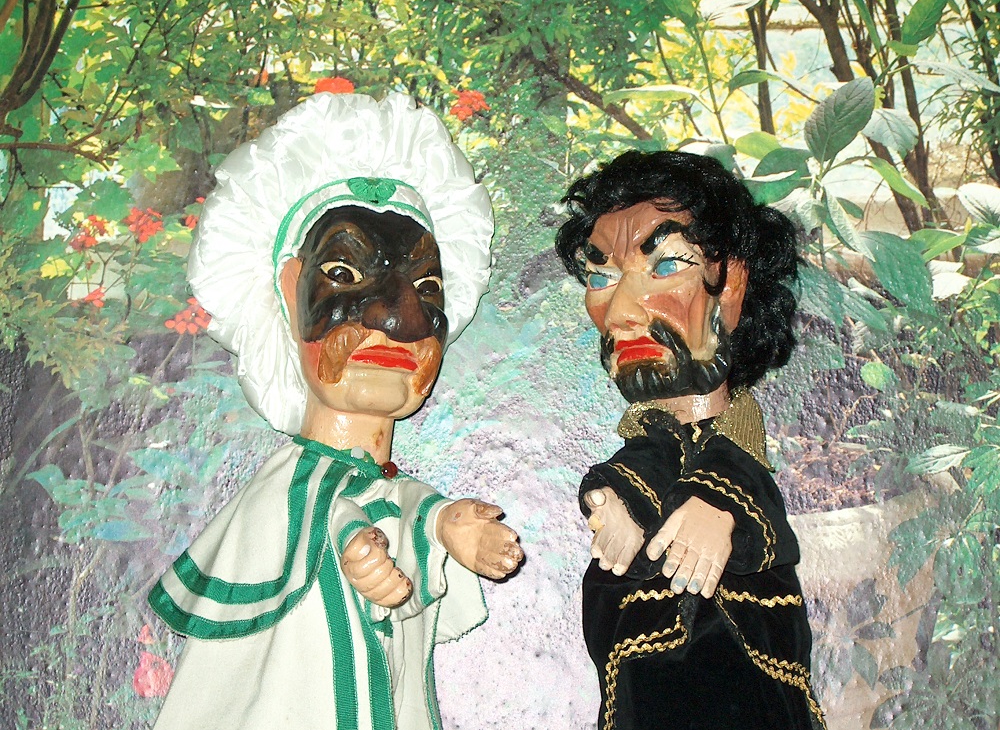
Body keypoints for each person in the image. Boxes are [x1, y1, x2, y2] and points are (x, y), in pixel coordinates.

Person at [148, 92, 523, 730]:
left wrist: (446, 524)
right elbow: (311, 508)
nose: (400, 318)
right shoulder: (287, 488)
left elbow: (393, 503)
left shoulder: (390, 489)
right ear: (289, 290)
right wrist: (349, 535)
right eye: (345, 275)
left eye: (427, 287)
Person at [555, 150, 826, 730]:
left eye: (666, 265)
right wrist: (615, 503)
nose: (620, 311)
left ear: (731, 286)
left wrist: (720, 506)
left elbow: (744, 475)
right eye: (602, 277)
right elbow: (643, 463)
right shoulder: (648, 446)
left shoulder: (739, 453)